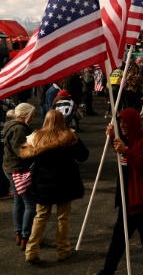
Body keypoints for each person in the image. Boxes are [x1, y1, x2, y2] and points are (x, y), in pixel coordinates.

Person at [98, 108, 143, 275]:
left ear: (134, 123)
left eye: (125, 122)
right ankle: (108, 270)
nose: (122, 125)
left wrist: (126, 151)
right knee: (118, 238)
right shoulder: (127, 139)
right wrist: (111, 137)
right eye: (120, 121)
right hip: (128, 198)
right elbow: (121, 150)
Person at [20, 110, 89, 264]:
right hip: (66, 183)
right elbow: (83, 156)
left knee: (40, 217)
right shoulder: (70, 137)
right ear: (62, 120)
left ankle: (31, 251)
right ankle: (63, 250)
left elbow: (25, 161)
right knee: (63, 217)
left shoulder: (35, 137)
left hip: (43, 184)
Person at [2, 103, 36, 250]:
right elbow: (22, 152)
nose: (33, 118)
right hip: (18, 169)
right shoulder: (18, 129)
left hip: (10, 167)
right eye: (32, 115)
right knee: (29, 203)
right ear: (24, 115)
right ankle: (25, 235)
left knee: (18, 201)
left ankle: (19, 233)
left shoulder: (11, 126)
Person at [0, 98, 16, 199]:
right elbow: (15, 109)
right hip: (1, 138)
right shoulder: (3, 101)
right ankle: (3, 190)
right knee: (2, 164)